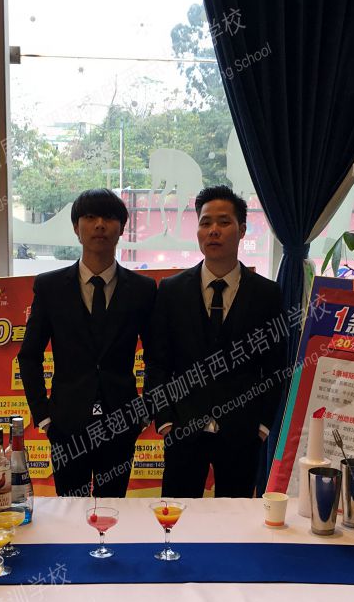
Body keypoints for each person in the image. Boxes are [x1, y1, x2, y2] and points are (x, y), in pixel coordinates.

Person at [146, 185, 286, 498]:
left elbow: (276, 366)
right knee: (178, 515)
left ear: (242, 230)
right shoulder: (171, 290)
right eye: (205, 222)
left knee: (234, 517)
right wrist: (165, 419)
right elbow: (157, 362)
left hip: (242, 430)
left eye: (224, 222)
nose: (213, 231)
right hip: (182, 427)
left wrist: (263, 425)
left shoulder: (266, 294)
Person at [19, 189, 157, 497]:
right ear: (76, 227)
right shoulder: (50, 287)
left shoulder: (143, 289)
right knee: (70, 510)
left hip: (121, 422)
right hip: (65, 424)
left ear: (121, 228)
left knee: (113, 511)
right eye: (90, 217)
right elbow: (29, 355)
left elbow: (157, 356)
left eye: (109, 217)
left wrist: (145, 411)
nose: (100, 225)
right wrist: (44, 416)